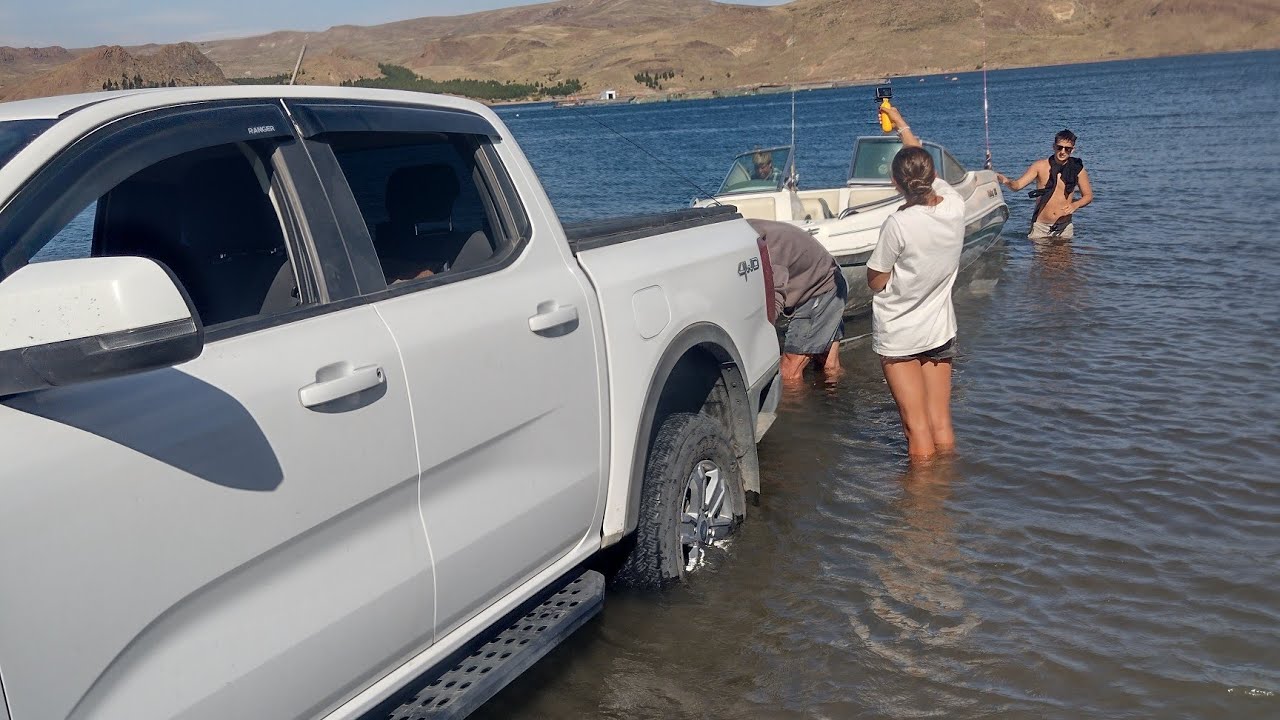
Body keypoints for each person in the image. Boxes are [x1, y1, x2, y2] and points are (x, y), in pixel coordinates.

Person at [865, 105, 963, 463]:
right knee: (940, 421)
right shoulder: (954, 206)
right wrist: (901, 123)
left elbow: (875, 281)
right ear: (933, 175)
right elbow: (918, 156)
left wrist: (893, 275)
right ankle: (947, 487)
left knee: (915, 427)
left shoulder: (898, 224)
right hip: (940, 330)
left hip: (901, 334)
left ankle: (921, 497)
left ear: (895, 184)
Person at [748, 218, 846, 382]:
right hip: (829, 277)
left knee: (788, 371)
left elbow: (774, 301)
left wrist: (753, 340)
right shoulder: (745, 230)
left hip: (822, 289)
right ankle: (835, 396)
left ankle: (790, 400)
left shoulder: (768, 251)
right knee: (828, 365)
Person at [996, 130, 1094, 241]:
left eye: (1067, 149)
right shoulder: (1039, 166)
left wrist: (1075, 205)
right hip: (1040, 227)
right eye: (1059, 147)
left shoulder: (1077, 169)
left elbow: (1088, 196)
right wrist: (1005, 180)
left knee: (1066, 253)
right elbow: (1017, 186)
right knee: (1040, 253)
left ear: (1072, 149)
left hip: (1064, 228)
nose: (1062, 152)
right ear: (1054, 147)